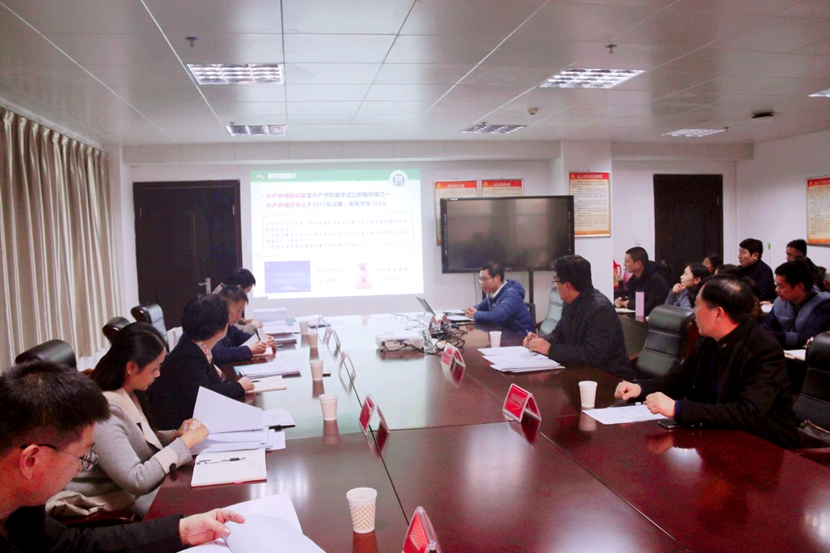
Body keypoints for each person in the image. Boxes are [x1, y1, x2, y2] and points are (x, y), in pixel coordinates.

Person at [0, 360, 244, 552]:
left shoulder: (24, 505)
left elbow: (73, 545)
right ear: (31, 461)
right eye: (82, 457)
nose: (80, 470)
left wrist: (181, 530)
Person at [615, 275, 799, 449]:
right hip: (715, 436)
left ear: (718, 313)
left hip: (761, 446)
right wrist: (640, 389)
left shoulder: (763, 350)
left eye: (697, 306)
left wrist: (678, 409)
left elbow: (746, 412)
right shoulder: (708, 340)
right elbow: (680, 380)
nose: (694, 314)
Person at [63, 323, 209, 518]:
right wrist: (185, 443)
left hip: (135, 492)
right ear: (131, 367)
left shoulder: (129, 392)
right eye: (155, 368)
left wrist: (174, 435)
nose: (158, 374)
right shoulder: (102, 412)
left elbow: (133, 436)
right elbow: (137, 481)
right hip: (114, 501)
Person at [147, 294, 254, 430]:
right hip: (176, 428)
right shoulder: (189, 355)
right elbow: (206, 395)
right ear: (219, 330)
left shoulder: (194, 344)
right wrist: (239, 386)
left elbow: (211, 383)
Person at [524, 255, 633, 379]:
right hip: (582, 372)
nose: (555, 286)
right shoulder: (570, 302)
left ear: (567, 286)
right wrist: (540, 342)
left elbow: (591, 354)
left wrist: (550, 349)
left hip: (609, 378)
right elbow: (559, 334)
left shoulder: (600, 309)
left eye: (556, 281)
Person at [762, 260, 830, 349]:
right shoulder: (780, 302)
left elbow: (810, 337)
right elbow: (766, 326)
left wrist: (776, 336)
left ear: (800, 287)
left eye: (781, 286)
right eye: (776, 285)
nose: (776, 290)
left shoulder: (824, 304)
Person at [464, 261, 535, 333]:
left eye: (485, 279)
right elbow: (480, 307)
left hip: (521, 336)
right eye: (480, 279)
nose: (482, 283)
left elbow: (497, 317)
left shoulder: (511, 294)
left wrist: (475, 314)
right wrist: (471, 310)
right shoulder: (494, 293)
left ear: (497, 278)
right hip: (505, 334)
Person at [212, 286, 274, 366]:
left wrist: (263, 339)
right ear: (224, 306)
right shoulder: (212, 325)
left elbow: (242, 337)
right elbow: (218, 354)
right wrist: (249, 350)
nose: (239, 317)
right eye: (238, 311)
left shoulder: (228, 326)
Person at [614, 247, 670, 316]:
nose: (624, 264)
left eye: (626, 261)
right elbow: (632, 298)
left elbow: (651, 306)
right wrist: (621, 301)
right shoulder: (634, 279)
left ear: (638, 263)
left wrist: (628, 304)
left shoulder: (656, 281)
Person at [214, 268, 261, 334]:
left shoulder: (222, 293)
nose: (246, 295)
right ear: (239, 288)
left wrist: (242, 321)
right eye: (247, 291)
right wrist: (254, 327)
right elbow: (235, 330)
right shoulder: (220, 301)